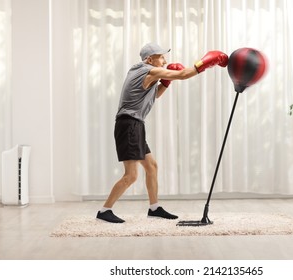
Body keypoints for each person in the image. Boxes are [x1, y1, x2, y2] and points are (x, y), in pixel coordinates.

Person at [96, 42, 228, 223]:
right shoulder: (149, 71)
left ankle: (154, 208)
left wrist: (166, 82)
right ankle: (105, 210)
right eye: (161, 57)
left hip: (134, 124)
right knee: (131, 175)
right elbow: (183, 74)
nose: (165, 61)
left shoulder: (140, 71)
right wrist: (204, 62)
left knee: (151, 167)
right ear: (150, 59)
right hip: (129, 125)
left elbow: (155, 95)